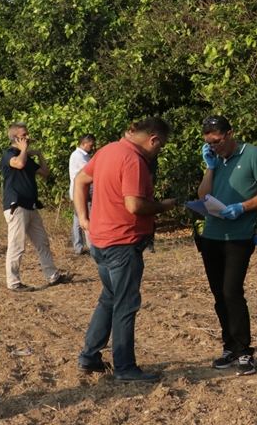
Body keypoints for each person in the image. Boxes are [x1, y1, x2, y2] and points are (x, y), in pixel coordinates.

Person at [75, 117, 181, 383]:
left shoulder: (108, 150)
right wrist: (164, 206)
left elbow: (80, 180)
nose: (160, 151)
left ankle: (89, 357)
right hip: (122, 243)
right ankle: (124, 367)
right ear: (153, 139)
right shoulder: (133, 160)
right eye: (161, 145)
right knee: (125, 304)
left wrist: (84, 219)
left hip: (101, 240)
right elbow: (134, 205)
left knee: (109, 299)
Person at [197, 115, 257, 376]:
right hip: (212, 236)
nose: (214, 146)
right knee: (219, 295)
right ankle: (229, 347)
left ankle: (244, 351)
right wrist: (209, 167)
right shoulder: (213, 159)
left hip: (239, 237)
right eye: (209, 142)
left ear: (230, 134)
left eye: (217, 141)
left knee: (232, 292)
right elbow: (203, 196)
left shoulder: (253, 154)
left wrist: (241, 207)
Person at [1, 122, 68, 292]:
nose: (28, 137)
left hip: (30, 206)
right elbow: (19, 164)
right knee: (17, 245)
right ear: (15, 138)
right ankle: (13, 283)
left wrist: (38, 154)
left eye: (27, 134)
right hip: (17, 206)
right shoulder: (9, 154)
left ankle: (53, 276)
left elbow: (45, 173)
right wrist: (24, 150)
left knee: (42, 242)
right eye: (24, 135)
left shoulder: (27, 157)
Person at [69, 134, 96, 255]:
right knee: (86, 218)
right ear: (83, 144)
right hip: (82, 193)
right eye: (91, 145)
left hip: (78, 192)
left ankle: (78, 247)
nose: (93, 148)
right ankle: (91, 247)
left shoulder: (80, 155)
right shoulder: (80, 157)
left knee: (78, 219)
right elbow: (91, 172)